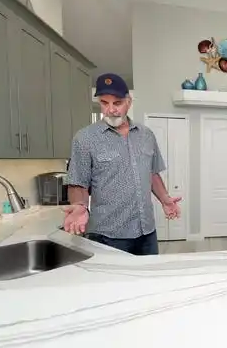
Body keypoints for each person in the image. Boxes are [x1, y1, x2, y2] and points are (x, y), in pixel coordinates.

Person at [62, 72, 181, 255]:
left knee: (148, 281)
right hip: (108, 235)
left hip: (146, 231)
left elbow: (151, 172)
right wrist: (79, 206)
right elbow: (78, 181)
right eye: (104, 103)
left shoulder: (146, 135)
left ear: (128, 102)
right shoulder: (85, 138)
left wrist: (165, 199)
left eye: (117, 103)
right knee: (113, 283)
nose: (110, 110)